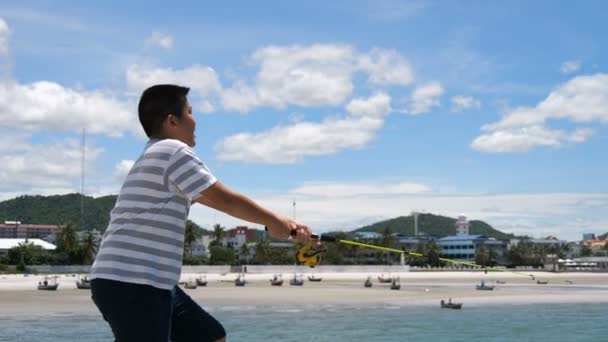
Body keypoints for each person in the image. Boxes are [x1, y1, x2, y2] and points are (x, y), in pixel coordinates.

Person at [89, 84, 312, 342]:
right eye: (191, 112)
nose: (196, 121)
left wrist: (284, 226)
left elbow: (217, 202)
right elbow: (227, 200)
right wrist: (276, 221)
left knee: (210, 337)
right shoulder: (172, 151)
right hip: (131, 279)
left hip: (150, 281)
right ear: (172, 120)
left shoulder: (157, 155)